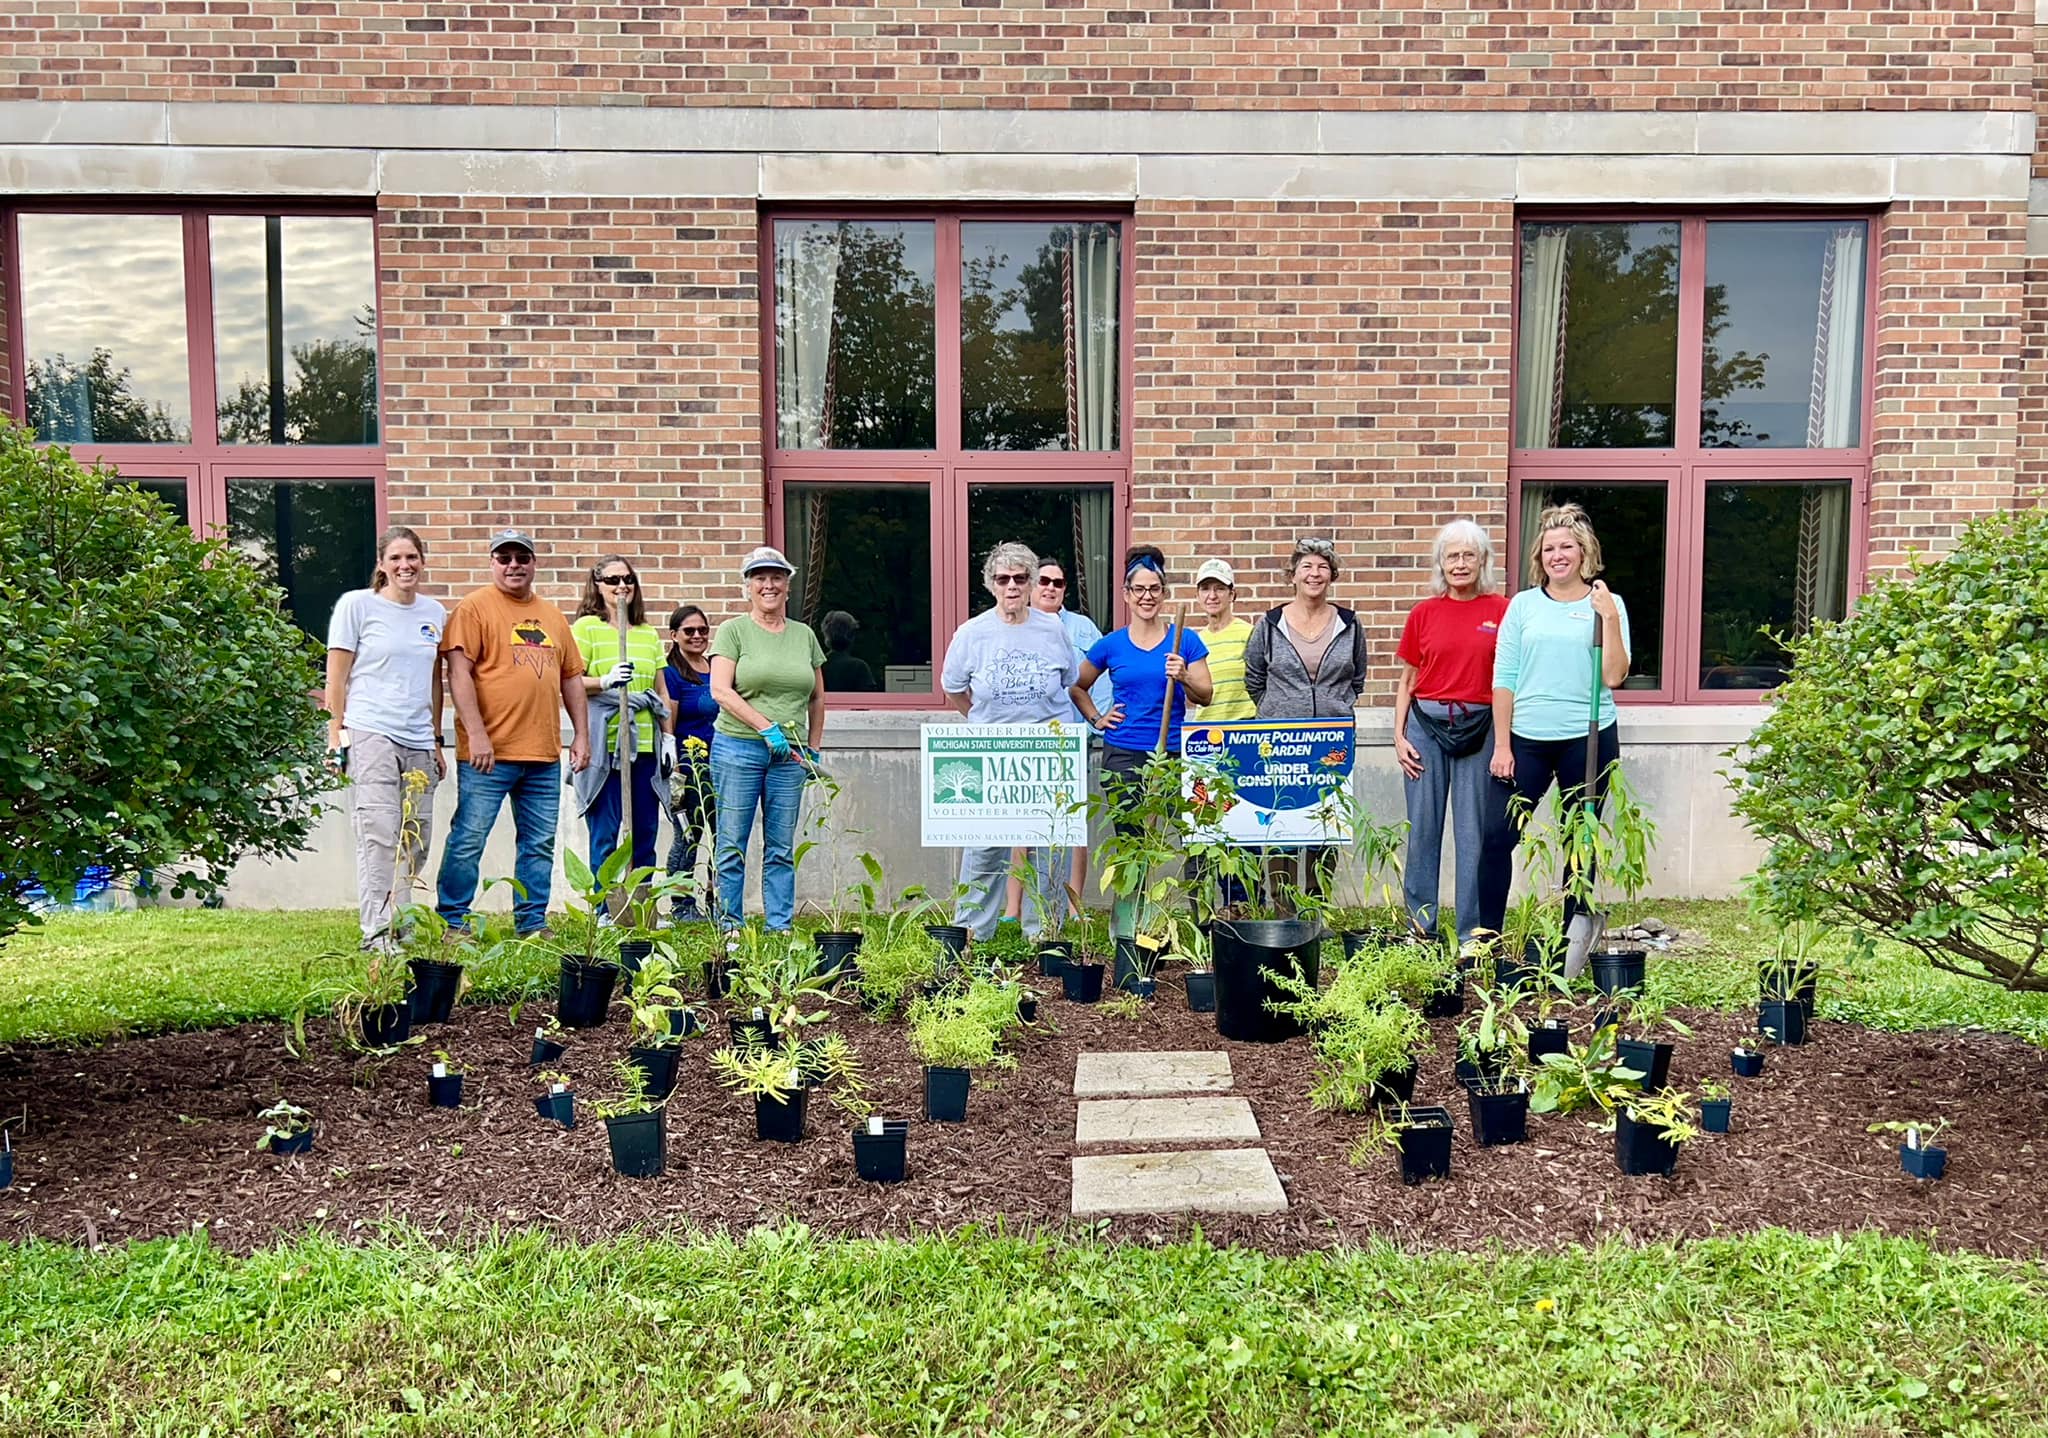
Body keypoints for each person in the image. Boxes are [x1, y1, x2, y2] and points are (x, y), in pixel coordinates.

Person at [1482, 502, 1633, 976]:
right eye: (1549, 548)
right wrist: (1502, 745)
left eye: (1566, 546)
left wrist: (1608, 617)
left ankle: (1568, 953)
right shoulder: (1523, 606)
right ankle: (1487, 942)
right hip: (1525, 738)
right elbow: (1503, 676)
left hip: (1587, 739)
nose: (1557, 555)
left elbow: (1614, 676)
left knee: (1579, 845)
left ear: (1584, 552)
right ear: (1539, 556)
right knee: (1494, 838)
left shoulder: (1607, 604)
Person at [435, 528, 592, 938]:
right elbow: (458, 674)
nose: (513, 565)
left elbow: (572, 677)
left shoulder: (552, 615)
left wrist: (581, 735)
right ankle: (453, 920)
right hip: (488, 754)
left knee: (538, 844)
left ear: (533, 563)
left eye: (521, 558)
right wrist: (477, 734)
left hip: (541, 752)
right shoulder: (473, 609)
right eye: (503, 558)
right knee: (469, 839)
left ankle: (532, 922)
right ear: (492, 563)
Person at [1068, 546, 1213, 938]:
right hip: (1125, 753)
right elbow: (1078, 686)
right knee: (1131, 844)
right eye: (1139, 589)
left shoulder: (1186, 640)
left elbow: (1206, 694)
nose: (1147, 596)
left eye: (1154, 588)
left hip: (1174, 755)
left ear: (1163, 593)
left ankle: (1201, 927)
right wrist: (1098, 718)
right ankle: (1129, 931)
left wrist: (1183, 676)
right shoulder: (1112, 645)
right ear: (1127, 595)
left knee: (1193, 840)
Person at [940, 541, 1080, 939]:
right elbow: (952, 688)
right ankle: (970, 933)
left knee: (1050, 847)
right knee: (985, 847)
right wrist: (983, 722)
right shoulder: (972, 634)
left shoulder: (1053, 629)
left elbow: (1068, 681)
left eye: (1021, 578)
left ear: (1032, 582)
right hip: (992, 751)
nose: (1012, 586)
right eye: (1003, 579)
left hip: (1049, 752)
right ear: (991, 584)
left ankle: (1045, 934)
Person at [324, 525, 448, 951]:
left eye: (411, 557)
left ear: (422, 561)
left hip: (418, 738)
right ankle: (376, 932)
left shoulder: (434, 613)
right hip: (370, 731)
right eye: (395, 558)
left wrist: (436, 739)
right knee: (379, 831)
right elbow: (336, 677)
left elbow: (435, 679)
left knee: (417, 833)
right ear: (382, 564)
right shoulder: (356, 606)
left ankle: (403, 923)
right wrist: (334, 735)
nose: (404, 565)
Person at [1393, 520, 1510, 943]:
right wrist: (1399, 736)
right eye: (1452, 556)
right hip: (1425, 728)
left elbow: (1510, 677)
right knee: (1423, 831)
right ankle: (1420, 930)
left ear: (1483, 561)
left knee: (1473, 834)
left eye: (1468, 555)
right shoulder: (1424, 613)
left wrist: (1505, 740)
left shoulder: (1502, 610)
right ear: (1440, 564)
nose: (1460, 563)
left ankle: (1472, 936)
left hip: (1480, 731)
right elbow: (1407, 679)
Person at [1243, 537, 1370, 902]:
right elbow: (1254, 676)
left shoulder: (1349, 623)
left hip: (1331, 738)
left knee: (1325, 820)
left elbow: (1357, 676)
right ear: (1293, 575)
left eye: (1322, 567)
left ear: (1332, 575)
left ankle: (1314, 905)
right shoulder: (1269, 623)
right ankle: (1283, 905)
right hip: (1278, 738)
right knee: (1282, 818)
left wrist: (1337, 705)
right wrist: (1278, 708)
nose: (1314, 574)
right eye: (1306, 567)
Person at [709, 546, 826, 932]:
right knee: (732, 843)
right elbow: (721, 691)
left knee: (780, 846)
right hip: (738, 747)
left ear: (788, 586)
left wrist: (813, 748)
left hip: (790, 756)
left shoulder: (804, 635)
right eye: (760, 577)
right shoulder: (733, 631)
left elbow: (816, 696)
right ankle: (730, 926)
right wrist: (765, 727)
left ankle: (780, 925)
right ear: (748, 587)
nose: (768, 584)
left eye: (776, 576)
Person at [1005, 557, 1108, 922]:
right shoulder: (1014, 623)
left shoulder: (1082, 629)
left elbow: (1101, 680)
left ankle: (1074, 907)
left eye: (1058, 583)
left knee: (1072, 824)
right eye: (1044, 581)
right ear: (1032, 585)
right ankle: (1013, 908)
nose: (1050, 588)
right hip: (1026, 736)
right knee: (1023, 824)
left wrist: (1097, 723)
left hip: (1070, 737)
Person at [569, 555, 673, 880]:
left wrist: (668, 737)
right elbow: (570, 681)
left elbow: (661, 691)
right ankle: (604, 909)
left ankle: (642, 906)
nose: (622, 586)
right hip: (606, 744)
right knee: (606, 832)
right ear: (598, 586)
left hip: (644, 745)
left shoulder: (647, 633)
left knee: (645, 830)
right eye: (613, 580)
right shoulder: (586, 628)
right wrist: (605, 680)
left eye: (627, 579)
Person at [663, 603, 719, 921]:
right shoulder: (670, 674)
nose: (697, 636)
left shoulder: (716, 667)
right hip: (687, 769)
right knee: (688, 836)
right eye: (689, 631)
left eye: (702, 630)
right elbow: (668, 724)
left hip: (721, 765)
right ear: (674, 635)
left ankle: (714, 903)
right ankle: (682, 906)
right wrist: (674, 770)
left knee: (722, 836)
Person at [1189, 558, 1256, 722]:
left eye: (1219, 589)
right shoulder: (1196, 641)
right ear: (1197, 596)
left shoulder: (1249, 634)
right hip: (1206, 731)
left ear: (1232, 595)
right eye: (1205, 589)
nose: (1212, 596)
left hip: (1244, 727)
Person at [819, 609, 878, 692]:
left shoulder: (819, 667)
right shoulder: (860, 667)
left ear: (826, 634)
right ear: (852, 635)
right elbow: (870, 700)